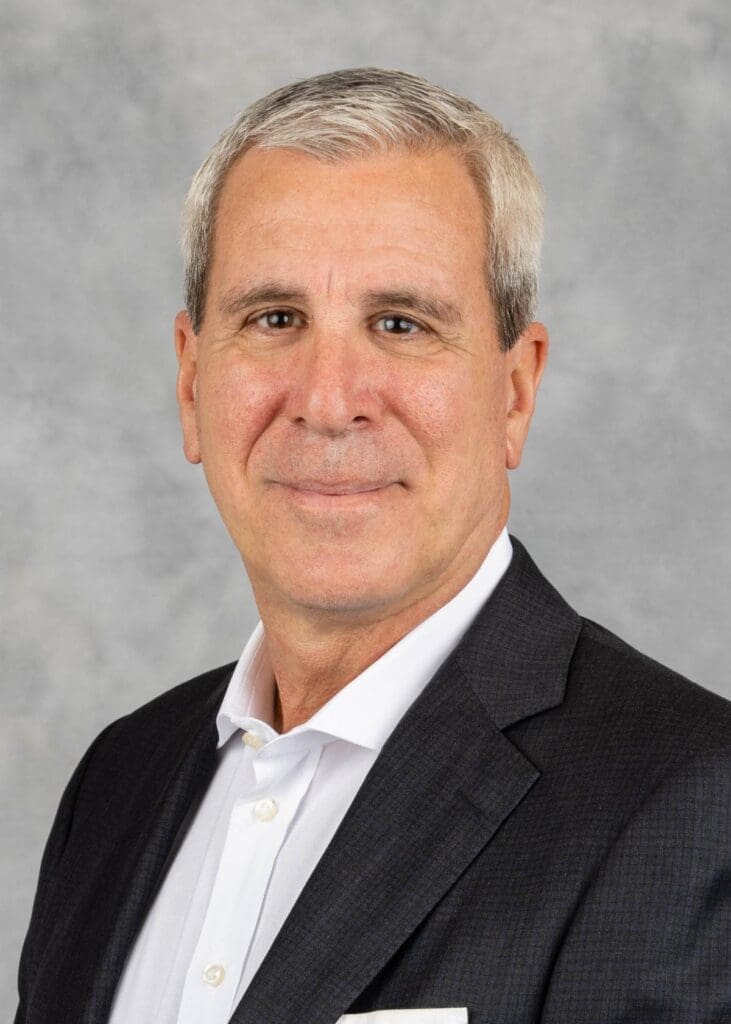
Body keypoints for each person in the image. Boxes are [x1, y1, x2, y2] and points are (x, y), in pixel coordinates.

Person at [15, 67, 730, 1024]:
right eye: (274, 320)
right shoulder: (118, 781)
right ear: (191, 386)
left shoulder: (688, 805)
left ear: (514, 393)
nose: (326, 397)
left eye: (400, 324)